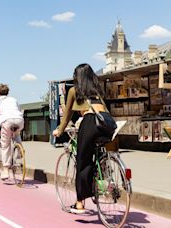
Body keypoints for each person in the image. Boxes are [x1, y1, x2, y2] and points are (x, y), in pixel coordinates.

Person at [53, 63, 110, 214]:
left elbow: (66, 116)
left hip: (90, 122)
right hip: (107, 123)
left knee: (83, 162)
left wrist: (59, 132)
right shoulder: (98, 90)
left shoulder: (73, 90)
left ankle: (79, 203)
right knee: (99, 155)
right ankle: (105, 181)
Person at [0, 84, 24, 180]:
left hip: (6, 121)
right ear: (8, 92)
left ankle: (5, 169)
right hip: (19, 119)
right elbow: (18, 110)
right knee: (16, 133)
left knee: (5, 145)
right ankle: (20, 149)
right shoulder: (13, 99)